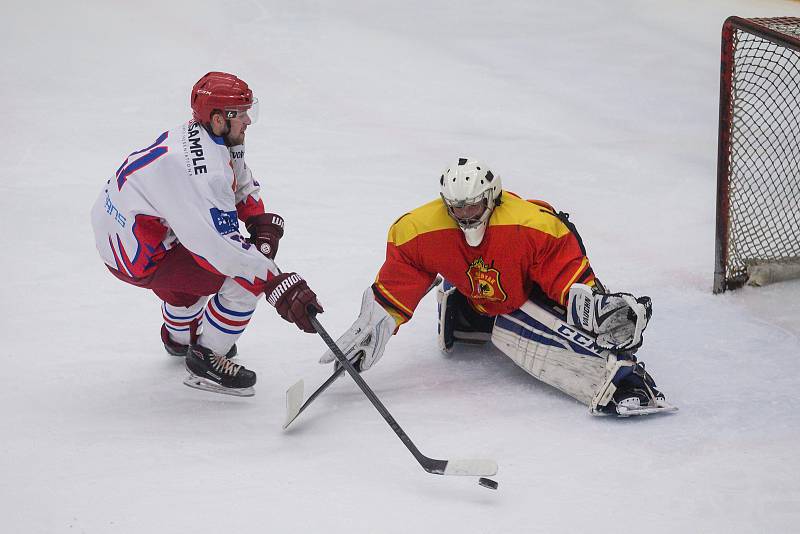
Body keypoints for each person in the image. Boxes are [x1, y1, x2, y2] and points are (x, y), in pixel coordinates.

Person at [319, 157, 674, 416]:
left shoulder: (531, 228)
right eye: (458, 208)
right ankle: (467, 312)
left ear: (492, 197)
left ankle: (623, 380)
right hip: (483, 289)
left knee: (555, 325)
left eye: (474, 206)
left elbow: (564, 273)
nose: (467, 215)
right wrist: (378, 319)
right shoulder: (419, 230)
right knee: (495, 305)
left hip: (528, 283)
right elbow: (403, 275)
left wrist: (592, 304)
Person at [91, 71, 323, 397]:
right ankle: (206, 360)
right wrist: (276, 283)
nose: (248, 121)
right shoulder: (204, 172)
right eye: (240, 114)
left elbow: (234, 176)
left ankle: (179, 338)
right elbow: (223, 251)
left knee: (191, 280)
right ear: (218, 118)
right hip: (134, 250)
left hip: (121, 228)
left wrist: (258, 221)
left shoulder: (205, 135)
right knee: (243, 280)